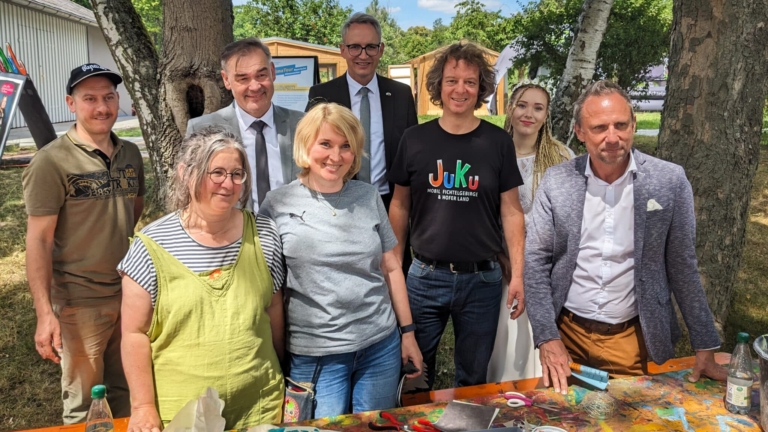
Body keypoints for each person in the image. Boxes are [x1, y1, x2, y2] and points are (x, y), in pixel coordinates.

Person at [525, 80, 726, 395]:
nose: (613, 137)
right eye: (599, 127)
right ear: (580, 131)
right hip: (567, 335)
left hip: (631, 339)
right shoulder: (558, 181)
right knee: (565, 421)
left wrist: (704, 343)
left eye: (621, 125)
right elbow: (535, 262)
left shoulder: (669, 181)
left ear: (634, 124)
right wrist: (547, 337)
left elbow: (683, 264)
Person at [259, 103, 422, 417]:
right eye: (326, 144)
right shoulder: (277, 204)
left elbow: (391, 266)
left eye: (346, 146)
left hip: (380, 345)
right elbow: (272, 291)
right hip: (318, 354)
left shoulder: (368, 196)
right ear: (306, 146)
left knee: (376, 425)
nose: (336, 156)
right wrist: (278, 354)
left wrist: (408, 333)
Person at [118, 126, 286, 430]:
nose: (228, 183)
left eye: (237, 174)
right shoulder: (150, 246)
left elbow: (273, 309)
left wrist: (282, 365)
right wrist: (142, 406)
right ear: (186, 173)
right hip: (184, 415)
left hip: (260, 408)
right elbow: (134, 334)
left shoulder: (264, 234)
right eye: (217, 172)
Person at [388, 42, 526, 389]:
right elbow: (400, 206)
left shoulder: (497, 143)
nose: (460, 89)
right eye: (452, 80)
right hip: (424, 275)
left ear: (481, 88)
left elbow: (512, 212)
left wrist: (519, 275)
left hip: (481, 280)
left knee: (473, 381)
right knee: (413, 375)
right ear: (438, 85)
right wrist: (393, 266)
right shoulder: (415, 139)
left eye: (470, 81)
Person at [22, 63, 145, 423]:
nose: (102, 107)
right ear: (70, 104)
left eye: (108, 97)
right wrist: (46, 313)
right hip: (79, 302)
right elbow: (39, 241)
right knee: (84, 403)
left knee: (128, 390)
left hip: (129, 292)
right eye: (89, 98)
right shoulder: (51, 162)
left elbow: (132, 210)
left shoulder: (130, 154)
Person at [306, 12, 418, 273]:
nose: (363, 55)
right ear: (343, 50)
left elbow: (411, 154)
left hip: (391, 204)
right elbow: (313, 151)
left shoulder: (401, 95)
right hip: (338, 202)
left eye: (370, 47)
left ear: (381, 50)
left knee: (393, 272)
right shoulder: (322, 95)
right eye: (355, 47)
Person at [487, 83, 575, 382]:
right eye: (522, 105)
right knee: (506, 347)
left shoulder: (561, 158)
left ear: (546, 115)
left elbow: (570, 220)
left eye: (538, 108)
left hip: (545, 269)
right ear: (510, 108)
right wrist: (504, 258)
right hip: (500, 266)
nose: (529, 114)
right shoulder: (490, 153)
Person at [187, 37, 304, 211]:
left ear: (272, 72)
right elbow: (193, 195)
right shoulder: (202, 131)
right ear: (226, 80)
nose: (255, 86)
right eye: (243, 79)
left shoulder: (303, 125)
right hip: (231, 234)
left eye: (261, 75)